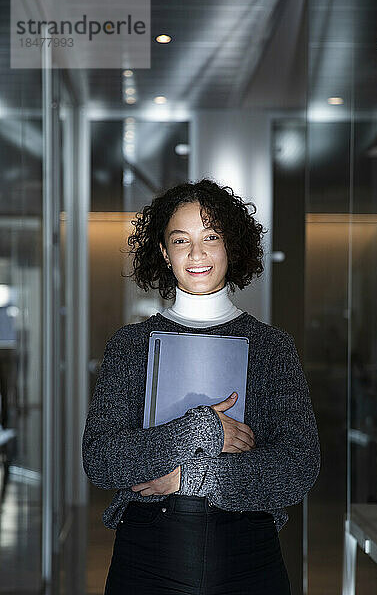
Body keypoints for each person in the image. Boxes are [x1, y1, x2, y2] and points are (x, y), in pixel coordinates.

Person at [81, 178, 321, 595]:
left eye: (211, 236)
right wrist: (202, 430)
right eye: (180, 240)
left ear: (231, 244)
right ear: (163, 252)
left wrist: (187, 476)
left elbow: (298, 467)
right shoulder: (130, 345)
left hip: (249, 554)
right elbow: (101, 459)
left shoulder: (271, 346)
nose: (196, 254)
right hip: (147, 555)